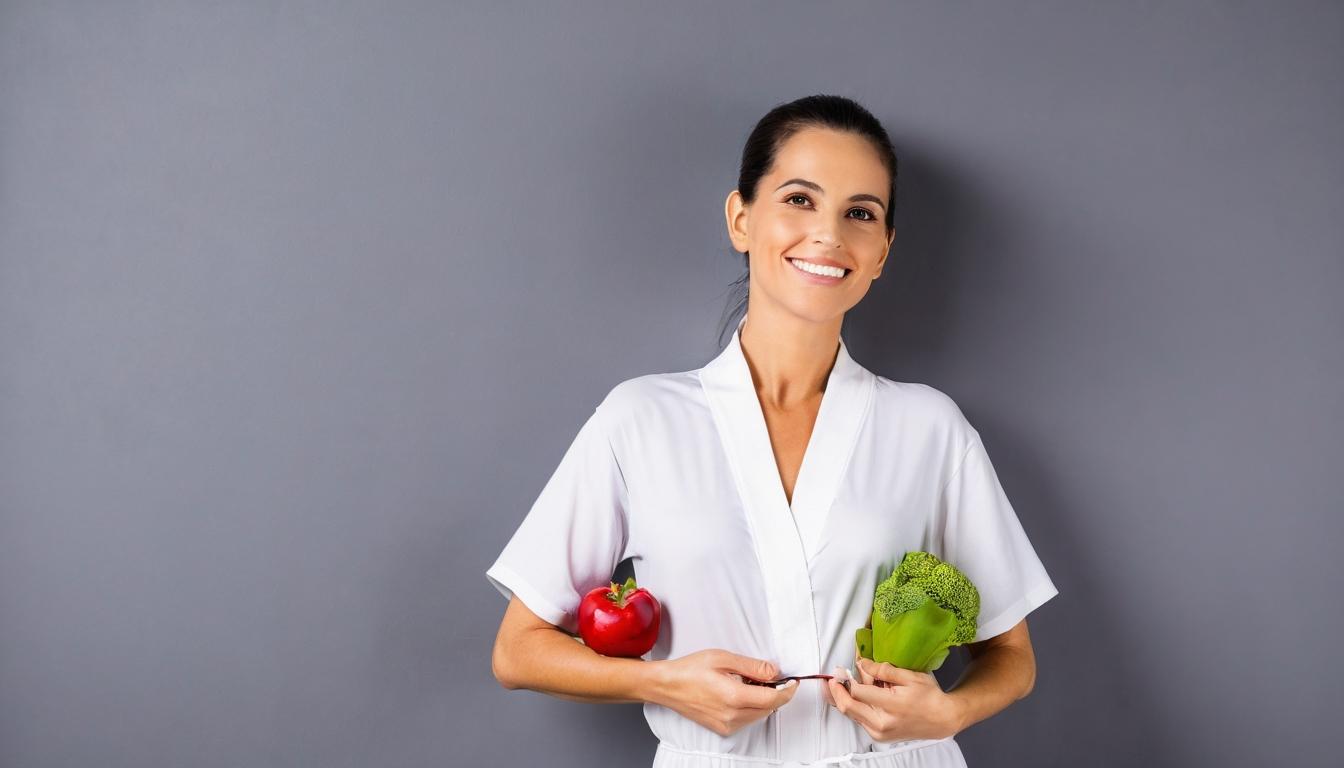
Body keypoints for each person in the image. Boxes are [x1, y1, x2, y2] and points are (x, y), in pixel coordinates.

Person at [486, 94, 1059, 767]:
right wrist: (663, 683)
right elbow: (518, 650)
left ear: (882, 252)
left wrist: (948, 710)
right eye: (799, 199)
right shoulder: (640, 420)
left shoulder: (929, 428)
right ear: (741, 218)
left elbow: (1011, 657)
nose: (829, 235)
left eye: (861, 214)